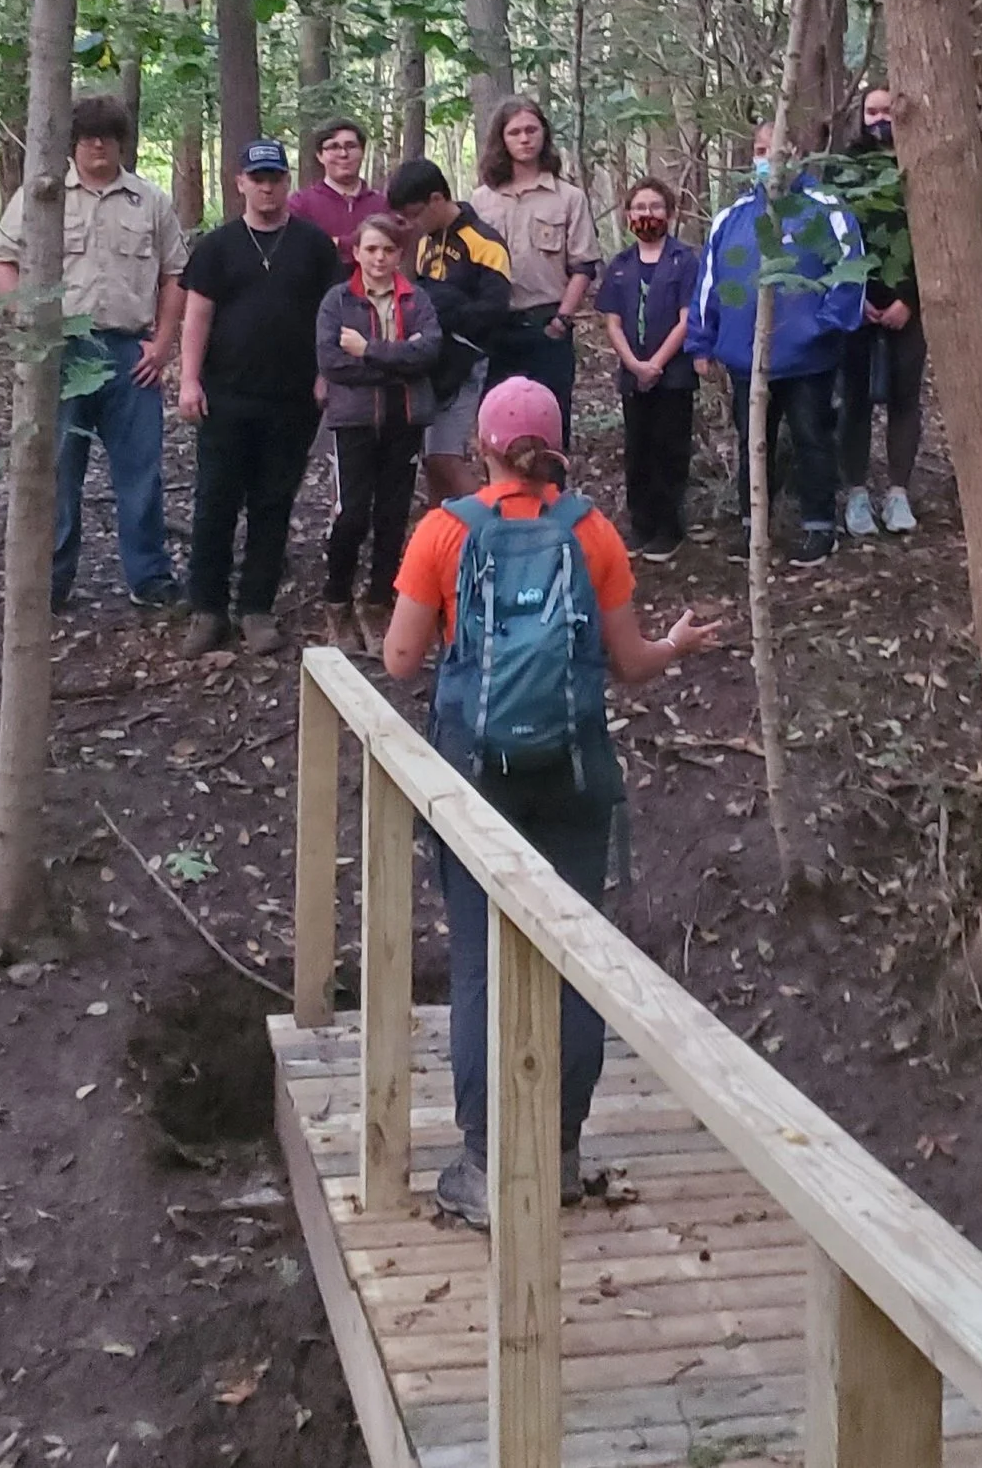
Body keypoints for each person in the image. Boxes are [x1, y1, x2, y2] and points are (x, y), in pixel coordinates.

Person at [381, 377, 721, 1231]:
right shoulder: (594, 532)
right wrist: (677, 643)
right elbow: (632, 662)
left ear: (485, 446)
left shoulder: (443, 532)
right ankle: (562, 1154)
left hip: (475, 772)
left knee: (477, 964)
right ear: (555, 442)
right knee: (571, 959)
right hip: (573, 772)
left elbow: (398, 660)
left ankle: (484, 1166)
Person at [0, 94, 189, 611]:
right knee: (55, 469)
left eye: (108, 135)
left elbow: (174, 274)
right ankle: (50, 582)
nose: (98, 144)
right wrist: (25, 317)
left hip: (130, 354)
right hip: (62, 350)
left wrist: (163, 344)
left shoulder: (151, 201)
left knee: (141, 470)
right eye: (87, 135)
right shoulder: (45, 198)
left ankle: (149, 577)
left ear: (122, 141)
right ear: (72, 143)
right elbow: (3, 260)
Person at [177, 138, 345, 658]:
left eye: (275, 177)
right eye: (257, 177)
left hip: (292, 399)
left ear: (287, 182)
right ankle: (207, 609)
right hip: (224, 396)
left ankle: (256, 608)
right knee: (215, 503)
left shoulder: (315, 246)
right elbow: (196, 316)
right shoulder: (217, 246)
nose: (267, 186)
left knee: (273, 504)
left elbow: (332, 316)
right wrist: (188, 380)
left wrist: (327, 376)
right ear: (240, 183)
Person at [688, 123, 867, 567]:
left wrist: (820, 327)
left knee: (812, 439)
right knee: (753, 441)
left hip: (808, 358)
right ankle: (754, 530)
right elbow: (709, 283)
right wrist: (701, 340)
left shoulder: (826, 209)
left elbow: (850, 274)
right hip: (746, 357)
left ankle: (819, 528)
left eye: (777, 149)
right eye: (760, 150)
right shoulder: (733, 217)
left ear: (797, 152)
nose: (767, 158)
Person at [314, 214, 443, 650]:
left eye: (388, 250)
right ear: (356, 253)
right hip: (353, 421)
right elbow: (332, 362)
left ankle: (377, 601)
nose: (379, 258)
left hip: (404, 421)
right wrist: (397, 364)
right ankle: (336, 599)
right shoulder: (338, 301)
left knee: (392, 514)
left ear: (400, 255)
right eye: (371, 249)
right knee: (351, 514)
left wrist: (369, 350)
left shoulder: (415, 299)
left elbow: (428, 353)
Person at [388, 159, 515, 507]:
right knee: (432, 462)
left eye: (414, 214)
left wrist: (447, 313)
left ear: (435, 199)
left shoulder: (484, 241)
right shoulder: (427, 244)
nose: (411, 225)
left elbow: (495, 308)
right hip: (432, 364)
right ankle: (446, 539)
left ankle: (499, 524)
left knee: (445, 457)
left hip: (467, 361)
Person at [469, 98, 599, 437]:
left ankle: (552, 491)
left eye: (531, 130)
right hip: (495, 331)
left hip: (546, 327)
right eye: (515, 132)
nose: (524, 139)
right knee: (498, 432)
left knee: (550, 428)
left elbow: (583, 265)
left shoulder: (568, 198)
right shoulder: (481, 201)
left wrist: (562, 320)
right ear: (502, 139)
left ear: (544, 134)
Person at [834, 84, 926, 537]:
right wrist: (859, 297)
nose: (879, 119)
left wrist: (908, 299)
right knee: (853, 399)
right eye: (872, 111)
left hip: (910, 303)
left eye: (887, 110)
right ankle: (855, 493)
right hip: (858, 304)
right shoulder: (844, 171)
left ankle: (898, 493)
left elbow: (933, 239)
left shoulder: (921, 168)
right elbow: (833, 240)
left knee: (906, 395)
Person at [594, 178, 700, 560]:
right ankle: (641, 525)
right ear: (628, 216)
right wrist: (634, 364)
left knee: (669, 448)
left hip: (673, 375)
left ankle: (668, 529)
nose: (647, 214)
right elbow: (612, 322)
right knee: (637, 449)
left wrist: (656, 363)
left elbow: (688, 318)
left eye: (656, 207)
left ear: (670, 214)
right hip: (632, 374)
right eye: (640, 208)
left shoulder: (685, 261)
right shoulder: (620, 265)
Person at [287, 115, 391, 267]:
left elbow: (392, 249)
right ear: (320, 156)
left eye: (351, 146)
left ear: (362, 151)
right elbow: (300, 251)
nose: (343, 154)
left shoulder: (382, 204)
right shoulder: (300, 204)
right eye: (334, 147)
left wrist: (338, 243)